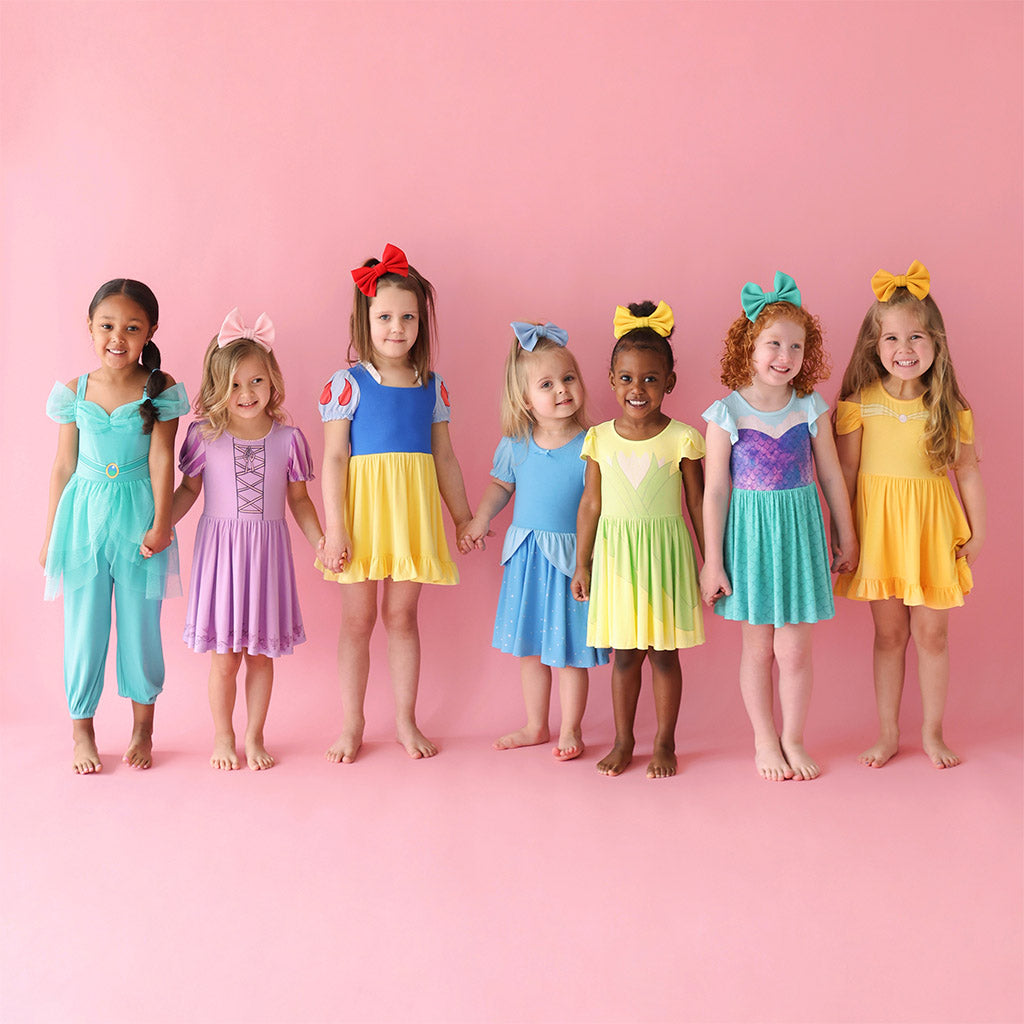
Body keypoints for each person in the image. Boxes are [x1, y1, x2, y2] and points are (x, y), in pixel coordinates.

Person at [318, 243, 474, 762]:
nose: (396, 327)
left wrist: (462, 516)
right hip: (362, 516)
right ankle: (352, 723)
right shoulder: (348, 385)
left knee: (403, 618)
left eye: (408, 317)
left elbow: (445, 459)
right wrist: (335, 529)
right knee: (357, 621)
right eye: (384, 316)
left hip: (410, 515)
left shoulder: (433, 386)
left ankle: (406, 719)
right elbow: (335, 459)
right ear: (364, 320)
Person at [701, 272, 858, 781]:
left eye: (795, 345)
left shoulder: (810, 406)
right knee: (758, 646)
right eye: (773, 343)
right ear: (749, 345)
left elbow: (831, 474)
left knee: (793, 649)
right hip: (749, 539)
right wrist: (712, 561)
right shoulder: (726, 412)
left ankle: (793, 737)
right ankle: (764, 740)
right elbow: (716, 489)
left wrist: (845, 532)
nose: (783, 355)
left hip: (799, 535)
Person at [834, 261, 986, 769]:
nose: (904, 349)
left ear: (936, 343)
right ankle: (888, 734)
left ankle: (933, 733)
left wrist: (978, 531)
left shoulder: (949, 408)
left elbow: (966, 473)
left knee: (932, 636)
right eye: (892, 338)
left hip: (931, 531)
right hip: (879, 535)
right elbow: (846, 474)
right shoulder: (859, 405)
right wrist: (847, 534)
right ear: (873, 347)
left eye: (916, 336)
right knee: (890, 635)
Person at [42, 278, 187, 773]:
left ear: (150, 332)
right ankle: (82, 730)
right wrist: (49, 536)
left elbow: (163, 457)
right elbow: (63, 466)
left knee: (141, 627)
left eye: (131, 327)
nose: (117, 338)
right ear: (90, 328)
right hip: (82, 518)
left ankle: (143, 728)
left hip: (138, 518)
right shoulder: (73, 391)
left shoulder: (159, 389)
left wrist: (162, 523)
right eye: (107, 326)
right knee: (83, 627)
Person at [170, 309, 324, 770]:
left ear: (272, 381)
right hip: (221, 559)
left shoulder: (290, 440)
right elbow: (188, 491)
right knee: (224, 659)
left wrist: (320, 540)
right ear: (217, 388)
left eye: (256, 382)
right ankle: (223, 736)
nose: (246, 393)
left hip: (266, 561)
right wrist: (161, 527)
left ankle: (255, 737)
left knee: (260, 657)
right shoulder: (203, 437)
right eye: (234, 385)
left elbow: (299, 501)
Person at [460, 322, 609, 760]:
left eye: (568, 379)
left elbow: (600, 505)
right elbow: (500, 488)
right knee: (531, 650)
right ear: (525, 398)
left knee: (570, 653)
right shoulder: (515, 445)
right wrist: (479, 519)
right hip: (527, 558)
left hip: (572, 561)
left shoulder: (593, 444)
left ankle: (571, 729)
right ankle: (535, 724)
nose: (562, 390)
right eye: (547, 384)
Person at [571, 300, 705, 779]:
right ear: (611, 380)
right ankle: (624, 740)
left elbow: (697, 503)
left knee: (664, 654)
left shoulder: (684, 438)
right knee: (624, 655)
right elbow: (590, 504)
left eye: (650, 378)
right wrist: (582, 562)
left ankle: (665, 742)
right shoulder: (599, 439)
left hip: (666, 559)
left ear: (669, 381)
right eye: (626, 378)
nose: (637, 389)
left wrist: (712, 562)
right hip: (617, 560)